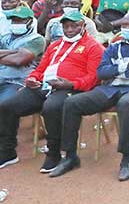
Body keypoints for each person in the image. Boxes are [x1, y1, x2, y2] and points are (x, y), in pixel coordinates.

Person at [50, 12, 129, 181]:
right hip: (111, 88)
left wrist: (116, 69)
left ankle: (126, 159)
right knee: (72, 102)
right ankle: (70, 156)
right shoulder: (114, 46)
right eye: (124, 26)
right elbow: (101, 72)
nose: (127, 29)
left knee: (126, 104)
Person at [0, 10, 104, 171]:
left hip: (71, 88)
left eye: (74, 26)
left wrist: (70, 84)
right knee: (7, 106)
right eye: (66, 26)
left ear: (83, 26)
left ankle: (54, 153)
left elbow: (93, 78)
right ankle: (7, 151)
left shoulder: (93, 47)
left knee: (51, 107)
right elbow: (40, 69)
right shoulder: (55, 45)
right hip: (45, 86)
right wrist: (32, 78)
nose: (70, 30)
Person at [0, 7, 46, 104]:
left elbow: (19, 61)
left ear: (30, 21)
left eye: (20, 20)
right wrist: (15, 51)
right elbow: (17, 57)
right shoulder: (5, 37)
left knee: (3, 104)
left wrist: (5, 54)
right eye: (14, 20)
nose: (16, 23)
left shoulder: (37, 39)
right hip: (1, 77)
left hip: (17, 82)